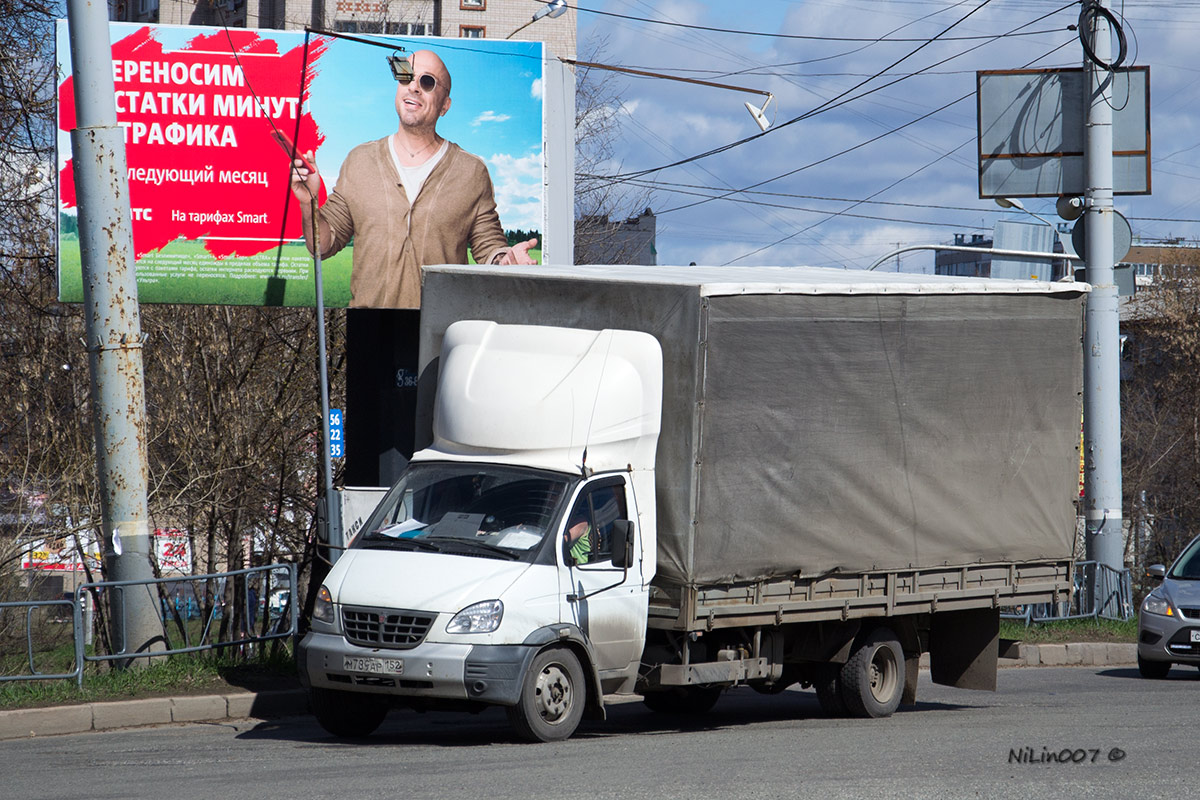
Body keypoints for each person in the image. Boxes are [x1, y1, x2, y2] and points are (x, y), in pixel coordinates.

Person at [288, 49, 538, 309]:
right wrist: (309, 203)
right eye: (406, 77)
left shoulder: (471, 171)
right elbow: (322, 246)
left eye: (427, 82)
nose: (414, 88)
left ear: (445, 105)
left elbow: (489, 247)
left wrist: (506, 260)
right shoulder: (359, 160)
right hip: (368, 329)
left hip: (441, 330)